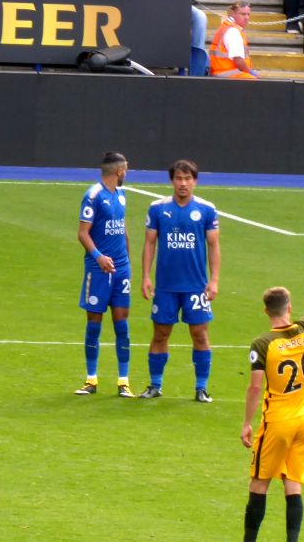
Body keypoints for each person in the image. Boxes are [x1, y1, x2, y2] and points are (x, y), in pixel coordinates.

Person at [218, 238, 304, 542]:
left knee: (259, 482)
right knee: (293, 485)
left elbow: (255, 388)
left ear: (266, 311)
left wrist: (246, 423)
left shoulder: (262, 343)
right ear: (290, 306)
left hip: (277, 422)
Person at [138, 159, 220, 403]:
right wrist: (145, 276)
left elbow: (214, 246)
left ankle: (201, 388)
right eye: (179, 179)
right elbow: (149, 243)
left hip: (196, 286)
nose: (183, 184)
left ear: (195, 181)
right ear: (172, 181)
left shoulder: (207, 209)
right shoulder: (157, 208)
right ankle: (155, 385)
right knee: (160, 334)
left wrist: (214, 280)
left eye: (188, 179)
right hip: (166, 287)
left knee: (200, 334)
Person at [74, 151, 134, 398]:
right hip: (98, 270)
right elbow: (82, 233)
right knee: (94, 325)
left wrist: (128, 260)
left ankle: (123, 381)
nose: (127, 174)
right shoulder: (93, 196)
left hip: (121, 270)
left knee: (122, 325)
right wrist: (98, 256)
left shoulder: (121, 195)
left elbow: (122, 228)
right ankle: (91, 379)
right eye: (126, 170)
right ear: (120, 171)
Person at [209, 0, 258, 78]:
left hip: (221, 71)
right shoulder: (233, 31)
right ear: (233, 14)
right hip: (227, 73)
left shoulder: (228, 27)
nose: (246, 18)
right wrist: (250, 72)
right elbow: (238, 61)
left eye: (248, 14)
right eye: (243, 14)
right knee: (254, 81)